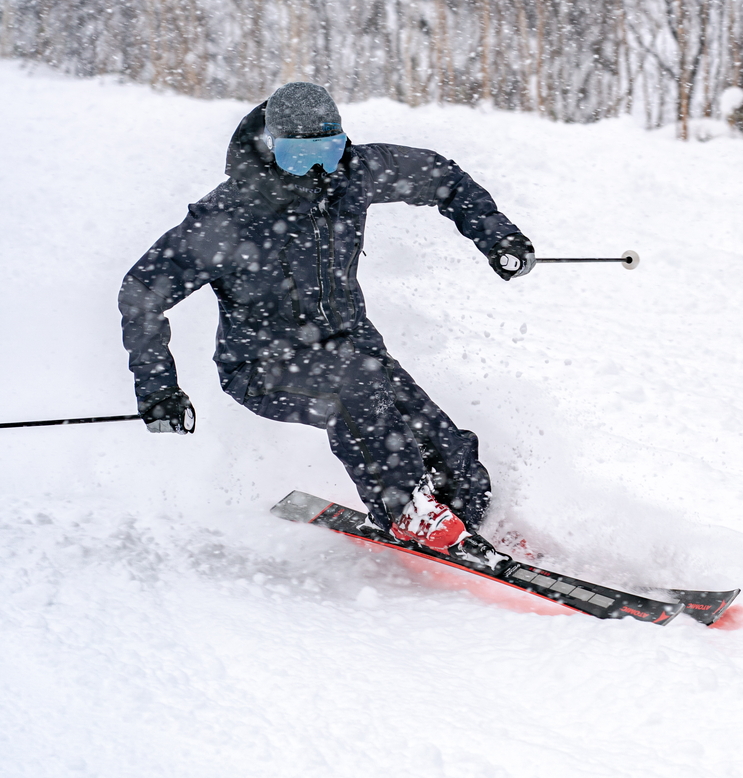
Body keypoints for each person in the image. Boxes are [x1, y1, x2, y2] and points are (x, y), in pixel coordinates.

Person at [118, 82, 535, 570]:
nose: (317, 168)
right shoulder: (229, 216)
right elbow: (141, 292)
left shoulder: (353, 174)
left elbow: (442, 176)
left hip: (356, 350)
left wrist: (498, 237)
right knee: (353, 389)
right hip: (262, 366)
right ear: (272, 147)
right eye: (300, 156)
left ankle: (461, 511)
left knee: (448, 455)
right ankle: (407, 509)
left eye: (328, 150)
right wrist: (158, 391)